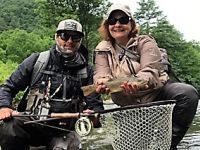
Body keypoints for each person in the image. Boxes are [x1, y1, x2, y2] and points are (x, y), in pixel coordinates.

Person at [93, 3, 199, 150]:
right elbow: (101, 72)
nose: (117, 24)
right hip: (129, 104)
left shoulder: (146, 42)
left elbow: (150, 70)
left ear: (131, 24)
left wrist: (138, 82)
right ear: (107, 25)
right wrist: (102, 81)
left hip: (158, 95)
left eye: (123, 20)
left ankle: (167, 145)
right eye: (112, 21)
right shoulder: (102, 49)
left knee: (188, 94)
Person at [0, 19, 104, 150]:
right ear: (56, 37)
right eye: (64, 36)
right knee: (9, 126)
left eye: (75, 37)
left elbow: (96, 106)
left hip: (65, 131)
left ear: (80, 40)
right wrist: (4, 106)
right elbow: (7, 87)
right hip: (32, 123)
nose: (70, 41)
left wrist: (94, 116)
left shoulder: (87, 72)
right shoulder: (37, 61)